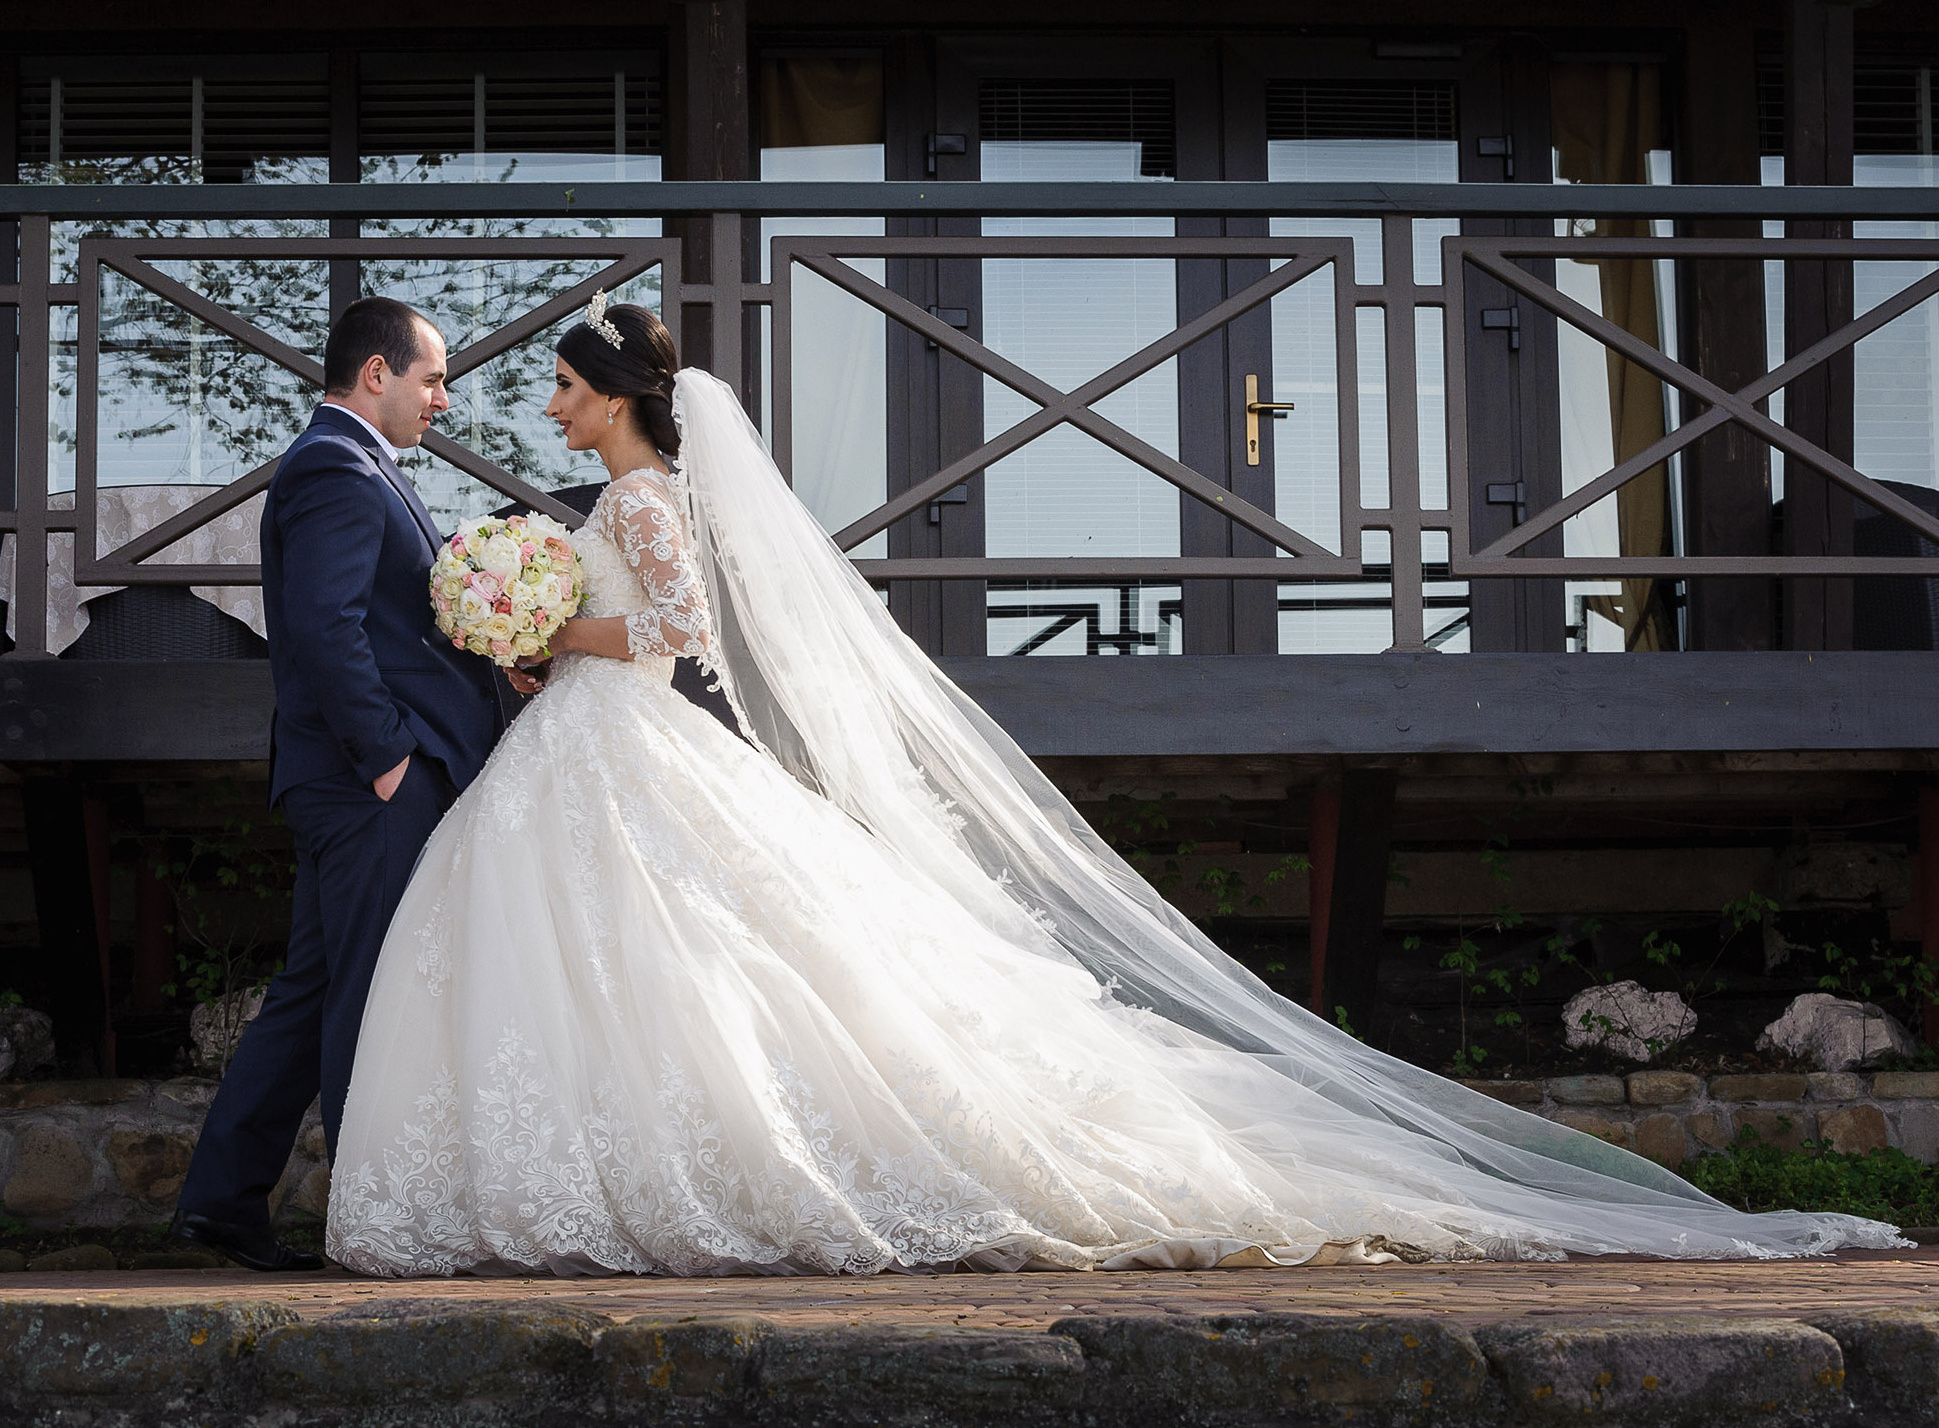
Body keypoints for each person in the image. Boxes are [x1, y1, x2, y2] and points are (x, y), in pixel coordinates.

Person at [326, 297, 1904, 1276]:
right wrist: (532, 634)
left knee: (692, 960)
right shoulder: (604, 491)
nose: (542, 405)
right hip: (578, 745)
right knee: (614, 971)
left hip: (625, 742)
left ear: (609, 396)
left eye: (558, 387)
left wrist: (542, 617)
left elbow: (667, 634)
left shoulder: (652, 499)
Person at [171, 298, 504, 1272]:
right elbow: (323, 630)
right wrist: (388, 760)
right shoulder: (334, 467)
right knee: (366, 992)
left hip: (352, 784)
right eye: (432, 378)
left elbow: (393, 624)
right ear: (375, 374)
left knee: (314, 985)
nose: (443, 398)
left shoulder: (358, 467)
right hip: (366, 787)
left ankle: (222, 1201)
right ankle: (371, 1220)